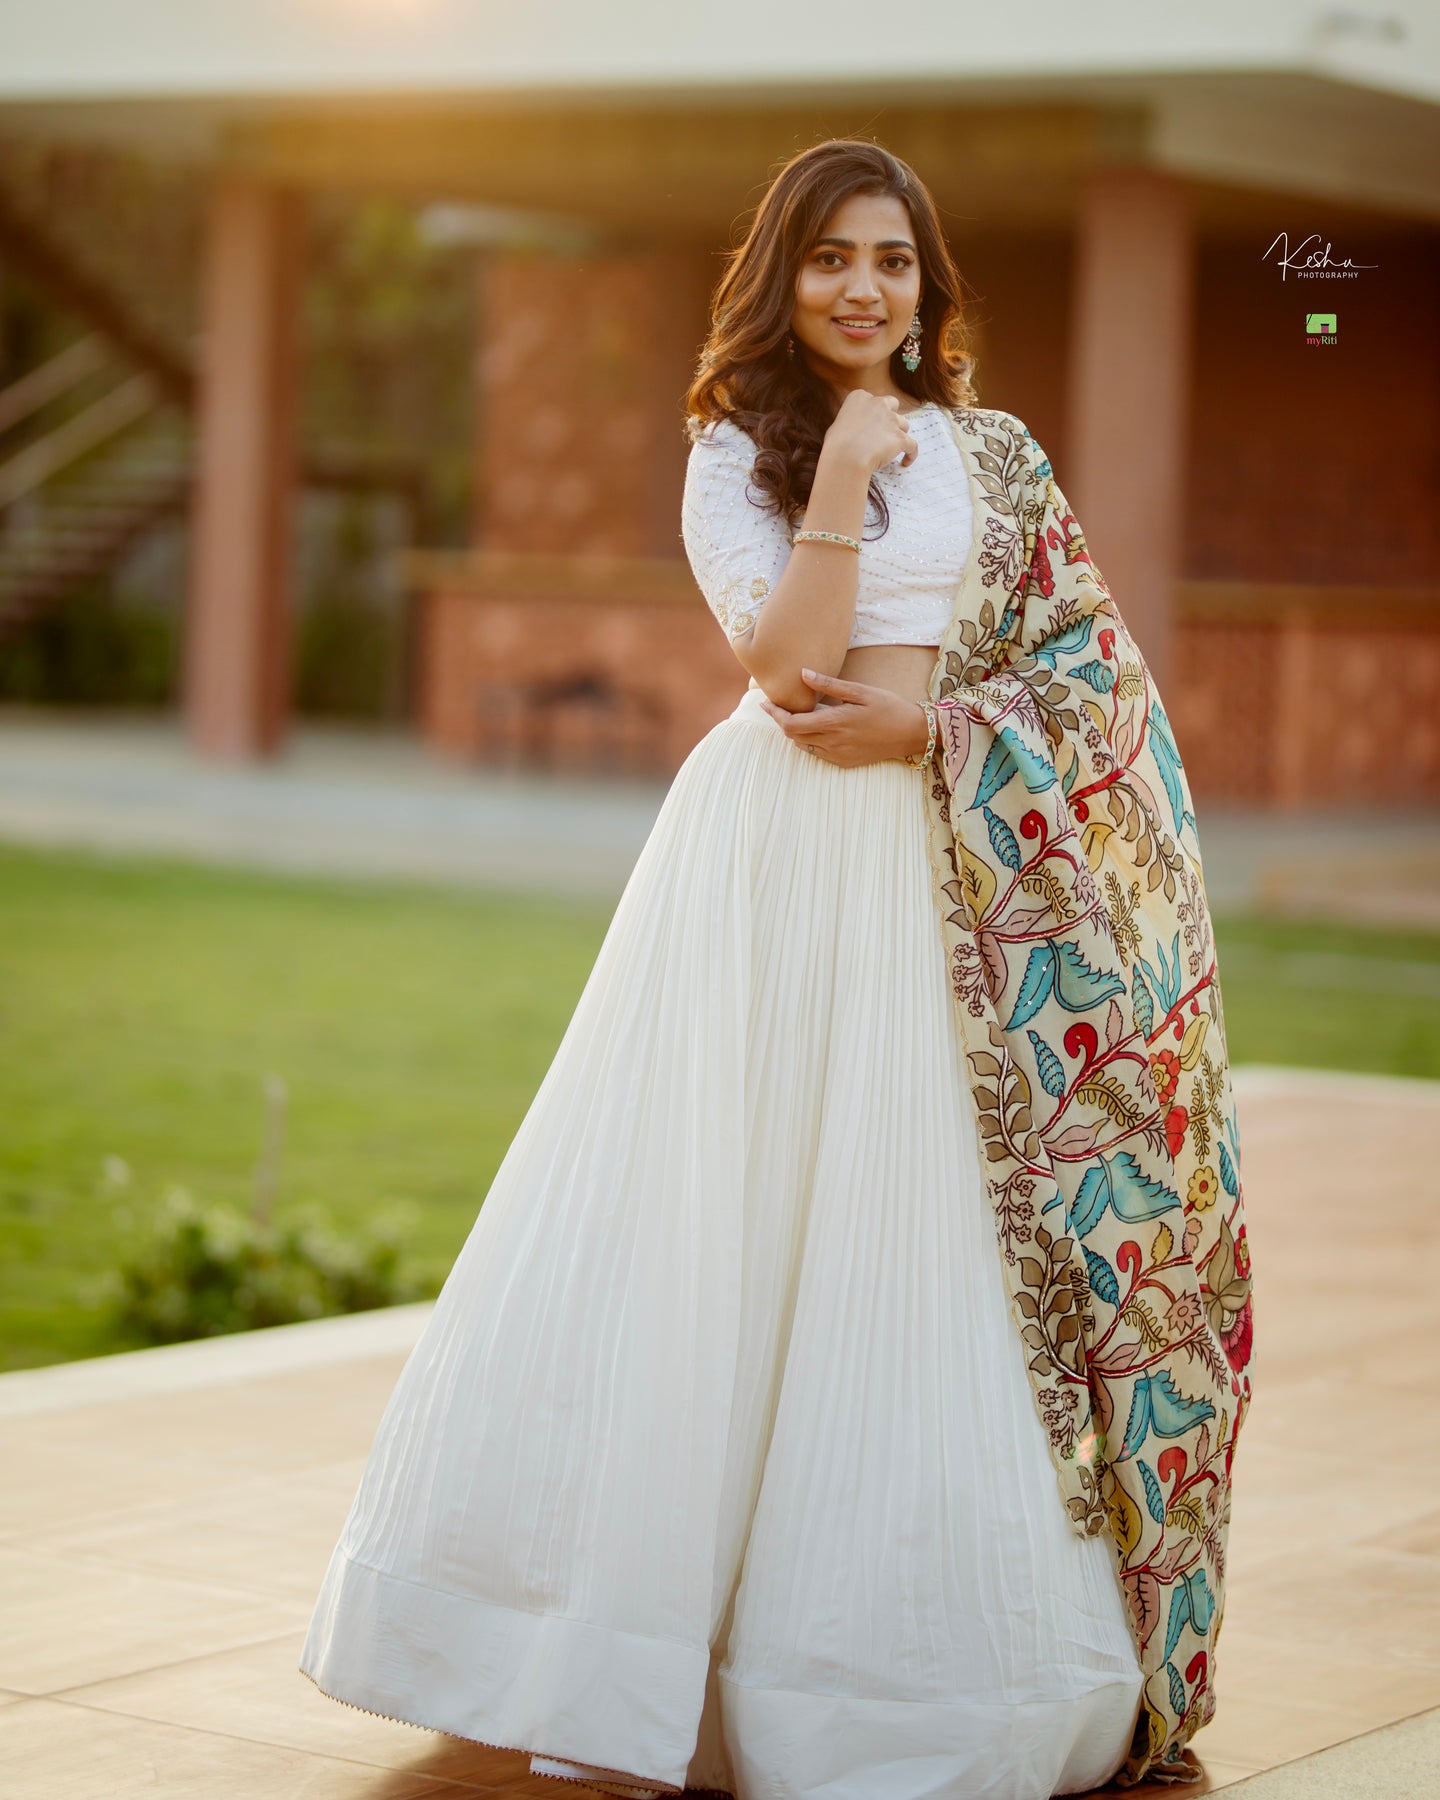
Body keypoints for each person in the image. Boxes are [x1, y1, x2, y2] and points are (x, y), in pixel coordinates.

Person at [300, 138, 1251, 1799]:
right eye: (830, 259)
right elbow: (789, 671)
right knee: (712, 1223)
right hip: (767, 871)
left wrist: (937, 731)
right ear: (779, 276)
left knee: (921, 1230)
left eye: (891, 258)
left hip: (949, 871)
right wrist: (836, 478)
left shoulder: (1000, 460)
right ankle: (630, 1647)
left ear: (927, 281)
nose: (863, 287)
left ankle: (912, 1678)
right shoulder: (731, 454)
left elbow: (1094, 691)